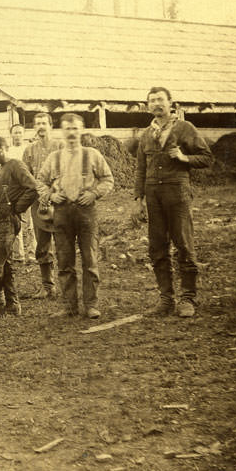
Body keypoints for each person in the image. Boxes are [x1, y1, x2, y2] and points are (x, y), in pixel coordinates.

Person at [134, 87, 214, 318]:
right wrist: (138, 199)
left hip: (177, 192)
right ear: (147, 106)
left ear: (171, 103)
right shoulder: (147, 134)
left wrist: (184, 158)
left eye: (161, 100)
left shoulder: (185, 128)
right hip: (153, 195)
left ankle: (188, 298)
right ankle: (166, 299)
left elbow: (207, 158)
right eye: (152, 101)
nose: (156, 104)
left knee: (183, 244)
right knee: (157, 246)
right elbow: (140, 168)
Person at [35, 113, 115, 319]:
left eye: (75, 128)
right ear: (62, 131)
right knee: (64, 260)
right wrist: (51, 195)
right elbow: (40, 182)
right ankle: (69, 306)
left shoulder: (92, 154)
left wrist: (94, 193)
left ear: (81, 130)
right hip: (62, 213)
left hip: (86, 212)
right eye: (67, 129)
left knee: (90, 259)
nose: (71, 133)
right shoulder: (54, 158)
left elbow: (107, 179)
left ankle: (91, 305)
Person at [0, 135, 39, 316]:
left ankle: (0, 300)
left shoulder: (16, 165)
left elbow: (33, 188)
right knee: (3, 262)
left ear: (2, 149)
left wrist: (17, 208)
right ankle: (11, 304)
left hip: (7, 222)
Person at [21, 111, 64, 298]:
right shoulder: (29, 150)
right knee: (42, 244)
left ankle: (66, 286)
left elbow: (68, 172)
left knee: (63, 244)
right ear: (34, 127)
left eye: (44, 123)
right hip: (39, 204)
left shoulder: (60, 146)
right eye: (37, 123)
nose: (40, 127)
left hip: (60, 202)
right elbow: (25, 176)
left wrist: (54, 192)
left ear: (50, 126)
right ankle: (48, 286)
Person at [8, 123, 36, 263]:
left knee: (30, 222)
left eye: (20, 132)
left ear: (24, 134)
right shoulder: (8, 151)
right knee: (15, 221)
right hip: (14, 191)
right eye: (15, 132)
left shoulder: (29, 149)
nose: (17, 135)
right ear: (11, 135)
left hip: (27, 190)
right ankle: (18, 254)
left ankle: (32, 253)